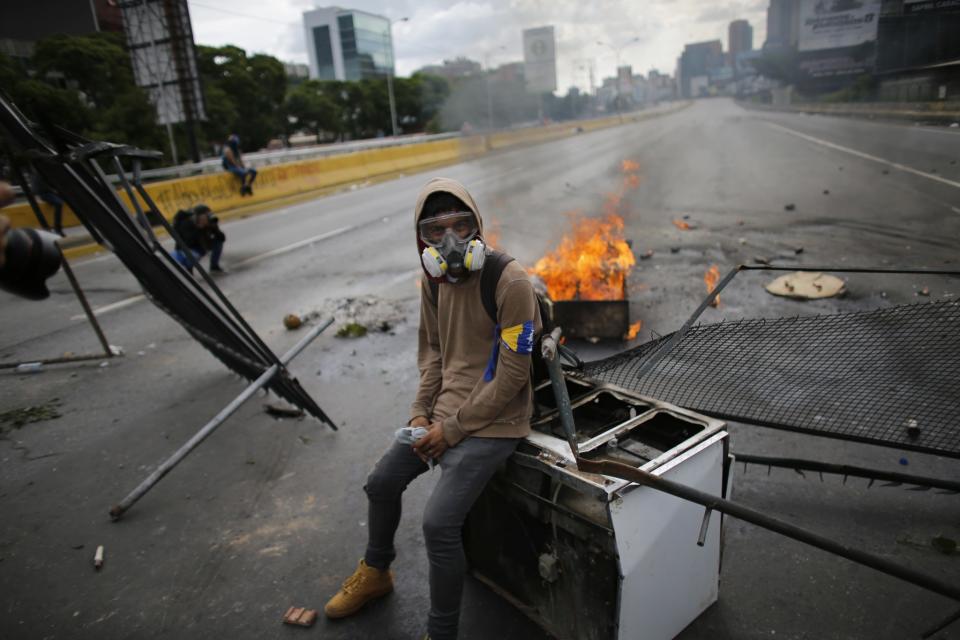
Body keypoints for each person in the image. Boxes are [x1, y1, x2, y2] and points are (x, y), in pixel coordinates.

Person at [323, 177, 541, 640]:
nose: (451, 241)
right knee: (381, 484)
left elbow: (512, 375)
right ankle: (377, 573)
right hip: (445, 415)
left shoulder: (511, 281)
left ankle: (440, 633)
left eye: (462, 226)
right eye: (436, 231)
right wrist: (420, 415)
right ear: (421, 238)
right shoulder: (433, 278)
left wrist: (454, 430)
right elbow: (433, 353)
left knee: (438, 524)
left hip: (496, 421)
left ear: (478, 225)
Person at [171, 204, 226, 273]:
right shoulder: (186, 223)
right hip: (185, 249)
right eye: (205, 215)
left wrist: (214, 228)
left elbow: (222, 238)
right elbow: (188, 242)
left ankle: (214, 266)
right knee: (191, 255)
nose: (207, 217)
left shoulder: (209, 222)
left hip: (201, 247)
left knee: (218, 242)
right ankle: (188, 270)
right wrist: (199, 228)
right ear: (197, 216)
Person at [30, 170, 65, 236]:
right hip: (44, 193)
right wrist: (53, 190)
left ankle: (57, 228)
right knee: (58, 203)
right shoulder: (39, 172)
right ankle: (57, 228)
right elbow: (40, 187)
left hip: (47, 192)